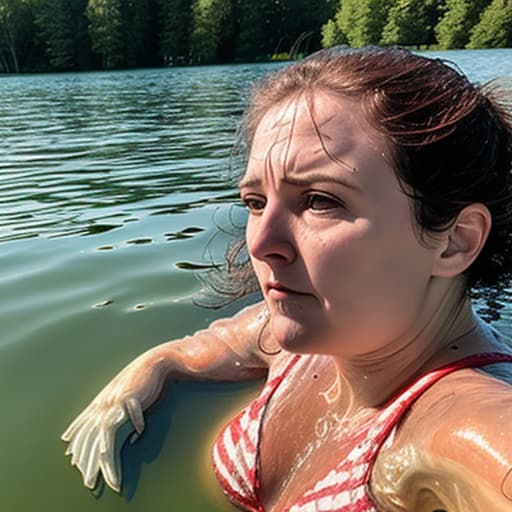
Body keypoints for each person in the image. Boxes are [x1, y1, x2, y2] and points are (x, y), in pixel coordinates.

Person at [62, 46, 512, 511]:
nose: (259, 242)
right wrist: (140, 375)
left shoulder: (460, 422)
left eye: (320, 200)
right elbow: (200, 349)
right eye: (256, 202)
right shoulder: (300, 341)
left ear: (456, 240)